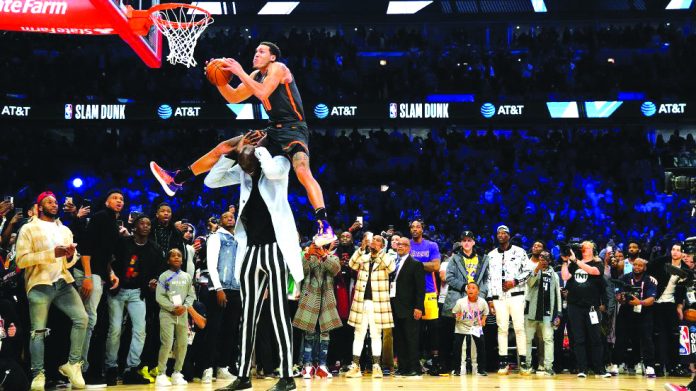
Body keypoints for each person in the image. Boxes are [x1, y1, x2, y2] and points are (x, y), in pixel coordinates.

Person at [149, 41, 335, 246]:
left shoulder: (279, 69)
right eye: (255, 51)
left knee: (301, 169)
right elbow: (234, 97)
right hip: (273, 129)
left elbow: (263, 93)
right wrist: (218, 78)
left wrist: (238, 72)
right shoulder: (256, 76)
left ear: (272, 57)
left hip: (294, 129)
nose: (256, 54)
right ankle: (177, 179)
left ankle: (324, 223)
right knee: (225, 147)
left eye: (262, 52)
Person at [204, 135, 304, 391]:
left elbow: (270, 170)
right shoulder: (243, 171)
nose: (245, 170)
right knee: (247, 315)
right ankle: (243, 375)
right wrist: (232, 154)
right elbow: (211, 180)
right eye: (243, 165)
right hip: (251, 249)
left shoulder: (279, 163)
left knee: (279, 313)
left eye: (247, 165)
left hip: (276, 247)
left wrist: (258, 149)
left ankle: (287, 377)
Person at [15, 191, 88, 390]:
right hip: (39, 283)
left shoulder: (64, 230)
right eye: (49, 202)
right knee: (38, 331)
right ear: (39, 207)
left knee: (82, 319)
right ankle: (38, 374)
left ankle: (73, 365)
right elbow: (21, 260)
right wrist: (51, 254)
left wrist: (71, 255)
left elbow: (70, 261)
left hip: (62, 282)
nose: (54, 204)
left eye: (55, 202)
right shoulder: (28, 228)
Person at [74, 189, 123, 386]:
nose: (119, 201)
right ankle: (79, 368)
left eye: (121, 199)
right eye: (114, 198)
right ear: (106, 202)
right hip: (87, 272)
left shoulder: (112, 222)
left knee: (89, 320)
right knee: (87, 319)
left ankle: (81, 367)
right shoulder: (100, 217)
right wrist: (87, 275)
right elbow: (86, 246)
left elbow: (105, 253)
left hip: (97, 273)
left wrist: (110, 273)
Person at [105, 214, 161, 385]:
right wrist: (111, 275)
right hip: (118, 291)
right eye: (142, 223)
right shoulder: (123, 243)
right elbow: (108, 260)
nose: (146, 226)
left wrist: (154, 281)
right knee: (115, 330)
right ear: (134, 227)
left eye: (148, 224)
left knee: (140, 330)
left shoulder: (154, 248)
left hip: (138, 292)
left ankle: (132, 369)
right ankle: (111, 368)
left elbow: (158, 271)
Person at [485, 225, 533, 375]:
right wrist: (490, 299)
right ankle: (503, 362)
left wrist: (515, 281)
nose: (501, 235)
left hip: (516, 295)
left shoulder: (519, 252)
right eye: (498, 233)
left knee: (519, 328)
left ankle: (524, 362)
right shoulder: (491, 255)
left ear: (509, 235)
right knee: (502, 329)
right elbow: (488, 278)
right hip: (499, 297)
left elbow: (529, 271)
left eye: (504, 233)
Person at [345, 235, 395, 379]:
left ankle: (376, 367)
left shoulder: (387, 257)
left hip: (378, 303)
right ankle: (355, 367)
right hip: (361, 301)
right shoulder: (364, 257)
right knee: (358, 334)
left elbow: (391, 268)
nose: (374, 242)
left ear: (382, 245)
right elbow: (352, 264)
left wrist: (378, 253)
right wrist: (361, 248)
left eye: (378, 241)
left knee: (375, 334)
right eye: (373, 240)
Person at [561, 241, 611, 378]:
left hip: (592, 307)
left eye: (587, 247)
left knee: (595, 338)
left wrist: (576, 261)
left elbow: (593, 272)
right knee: (578, 339)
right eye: (582, 247)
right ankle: (582, 368)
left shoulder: (597, 263)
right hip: (574, 306)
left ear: (593, 250)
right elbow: (565, 277)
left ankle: (599, 369)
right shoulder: (574, 263)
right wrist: (565, 262)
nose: (583, 249)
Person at [201, 211, 241, 383]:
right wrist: (218, 288)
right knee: (214, 329)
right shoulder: (216, 237)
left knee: (231, 331)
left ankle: (223, 367)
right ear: (221, 221)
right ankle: (207, 368)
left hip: (237, 289)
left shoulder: (241, 239)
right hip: (219, 289)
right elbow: (211, 263)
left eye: (232, 216)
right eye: (225, 217)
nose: (230, 218)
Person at [292, 243, 341, 379]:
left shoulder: (332, 257)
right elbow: (301, 271)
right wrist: (308, 255)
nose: (318, 249)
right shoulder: (309, 257)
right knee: (309, 332)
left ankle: (322, 366)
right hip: (309, 298)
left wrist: (324, 256)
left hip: (327, 299)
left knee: (325, 332)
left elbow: (335, 269)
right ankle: (307, 366)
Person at [154, 248, 196, 387]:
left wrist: (184, 307)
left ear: (182, 260)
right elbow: (159, 296)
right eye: (173, 256)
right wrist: (172, 308)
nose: (176, 258)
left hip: (182, 314)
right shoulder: (164, 276)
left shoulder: (187, 277)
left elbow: (191, 295)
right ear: (168, 260)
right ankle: (161, 373)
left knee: (183, 343)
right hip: (167, 314)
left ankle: (177, 372)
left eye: (179, 256)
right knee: (166, 343)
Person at [612, 257, 657, 378]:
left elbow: (652, 299)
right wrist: (620, 298)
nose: (637, 267)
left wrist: (639, 302)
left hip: (644, 312)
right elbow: (618, 295)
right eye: (635, 265)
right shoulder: (624, 278)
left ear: (645, 267)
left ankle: (649, 366)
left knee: (647, 339)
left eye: (640, 265)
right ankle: (616, 364)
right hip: (626, 312)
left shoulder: (650, 280)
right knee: (621, 338)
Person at [408, 220, 442, 374]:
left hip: (429, 292)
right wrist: (424, 264)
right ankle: (417, 362)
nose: (415, 229)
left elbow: (435, 266)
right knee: (416, 330)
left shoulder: (432, 245)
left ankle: (434, 362)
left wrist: (414, 265)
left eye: (418, 227)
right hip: (411, 292)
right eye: (413, 227)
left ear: (422, 229)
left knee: (433, 329)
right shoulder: (406, 244)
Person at [390, 237, 425, 377]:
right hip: (396, 307)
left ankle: (414, 368)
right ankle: (403, 367)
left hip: (411, 308)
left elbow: (420, 288)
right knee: (399, 339)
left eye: (403, 245)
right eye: (398, 245)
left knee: (411, 339)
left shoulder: (415, 264)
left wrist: (419, 307)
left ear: (409, 248)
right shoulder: (393, 264)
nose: (400, 247)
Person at [524, 251, 562, 376]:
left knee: (548, 339)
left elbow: (558, 295)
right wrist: (537, 270)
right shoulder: (533, 271)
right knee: (528, 339)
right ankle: (527, 364)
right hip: (532, 312)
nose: (543, 260)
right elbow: (529, 284)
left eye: (546, 258)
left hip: (547, 313)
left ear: (550, 260)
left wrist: (559, 313)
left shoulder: (554, 275)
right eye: (541, 257)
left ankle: (548, 366)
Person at [452, 282, 489, 376]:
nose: (470, 290)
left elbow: (486, 312)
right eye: (468, 288)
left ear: (478, 291)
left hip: (475, 325)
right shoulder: (460, 301)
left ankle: (481, 369)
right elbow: (454, 313)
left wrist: (483, 320)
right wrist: (457, 316)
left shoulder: (482, 301)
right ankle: (457, 370)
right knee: (457, 347)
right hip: (462, 325)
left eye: (473, 288)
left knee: (481, 346)